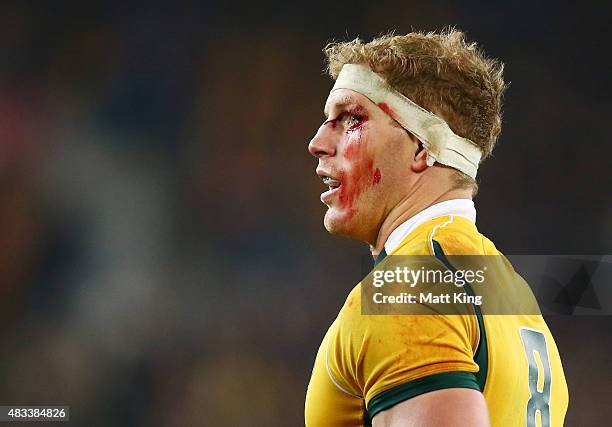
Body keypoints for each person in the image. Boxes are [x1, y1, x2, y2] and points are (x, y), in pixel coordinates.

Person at [304, 30, 568, 427]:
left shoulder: (408, 287)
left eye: (352, 119)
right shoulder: (511, 292)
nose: (318, 142)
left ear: (422, 148)